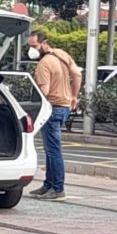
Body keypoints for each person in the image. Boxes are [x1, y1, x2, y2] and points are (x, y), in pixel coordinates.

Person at [27, 31, 81, 201]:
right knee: (51, 149)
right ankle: (48, 185)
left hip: (51, 107)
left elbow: (44, 91)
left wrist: (32, 105)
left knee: (52, 150)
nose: (32, 49)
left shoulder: (44, 64)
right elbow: (77, 74)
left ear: (44, 43)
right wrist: (74, 96)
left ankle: (57, 188)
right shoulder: (61, 54)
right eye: (30, 46)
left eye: (34, 46)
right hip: (64, 106)